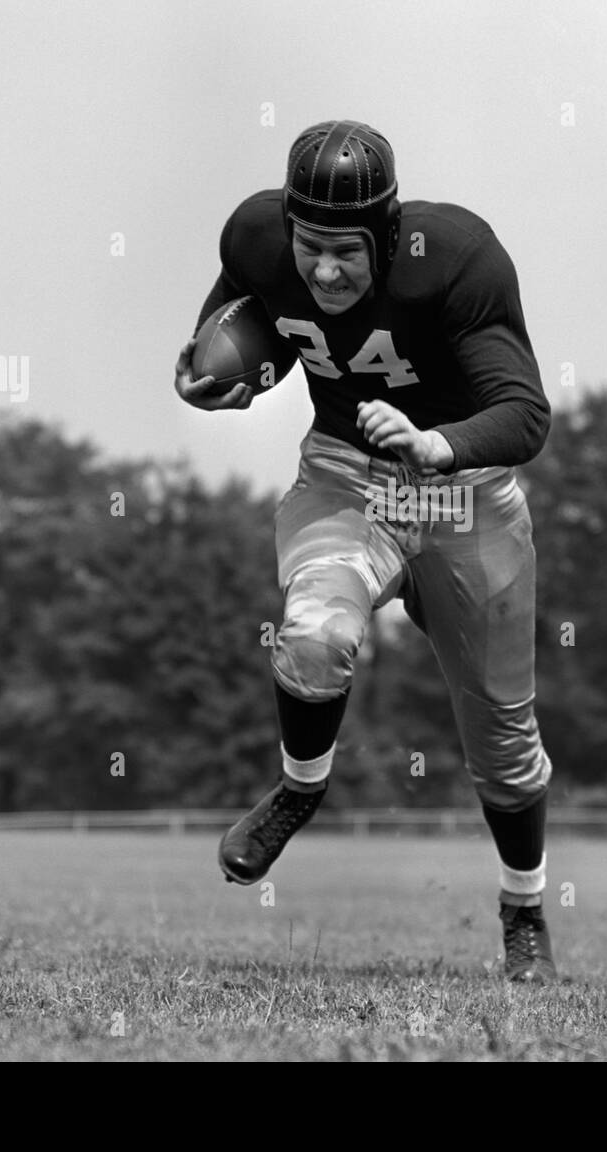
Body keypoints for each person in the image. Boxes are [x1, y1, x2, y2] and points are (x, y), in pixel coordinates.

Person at [174, 120, 555, 982]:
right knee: (312, 634)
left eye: (346, 253)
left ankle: (524, 908)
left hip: (467, 495)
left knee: (502, 738)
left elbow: (526, 415)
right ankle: (301, 787)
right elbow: (231, 337)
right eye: (310, 248)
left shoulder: (456, 260)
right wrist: (214, 381)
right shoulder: (258, 241)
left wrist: (439, 444)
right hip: (349, 481)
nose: (325, 271)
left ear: (385, 237)